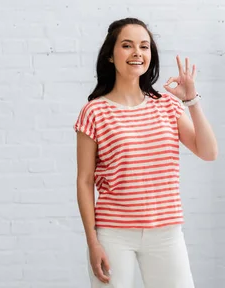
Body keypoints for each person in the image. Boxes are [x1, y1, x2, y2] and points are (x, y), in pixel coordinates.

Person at [74, 18, 218, 288]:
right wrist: (92, 242)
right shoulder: (94, 112)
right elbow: (84, 180)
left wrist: (191, 101)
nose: (137, 52)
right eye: (127, 45)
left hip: (166, 232)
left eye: (144, 46)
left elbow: (208, 152)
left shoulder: (166, 106)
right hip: (113, 234)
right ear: (110, 55)